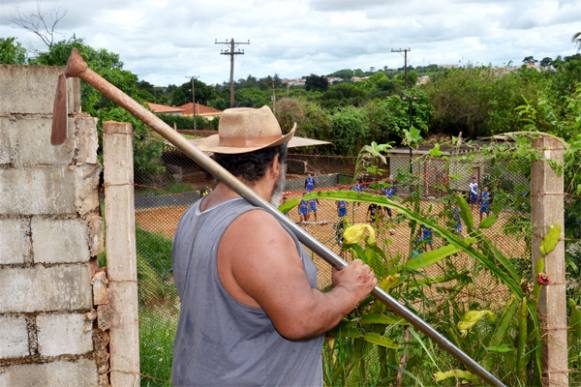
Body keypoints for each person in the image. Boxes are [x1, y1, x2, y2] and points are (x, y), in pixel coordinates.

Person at [172, 106, 377, 386]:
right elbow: (301, 320)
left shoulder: (196, 212)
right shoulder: (255, 227)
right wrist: (348, 291)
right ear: (275, 165)